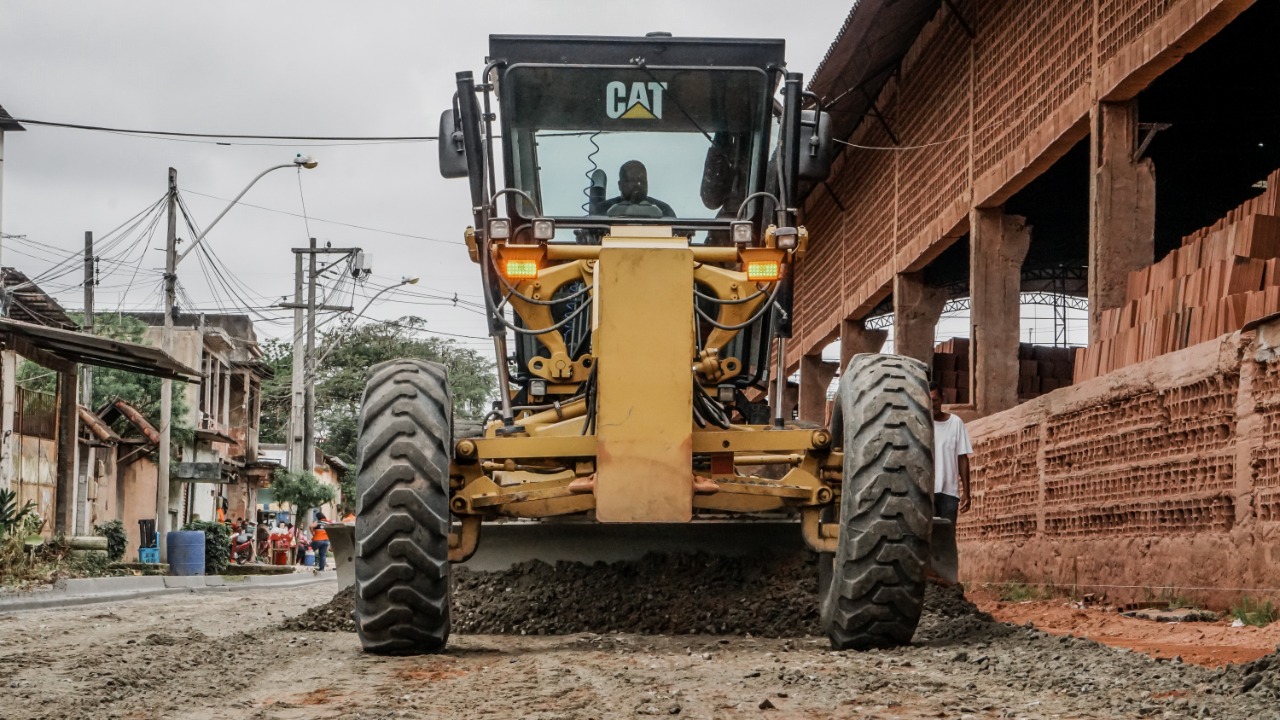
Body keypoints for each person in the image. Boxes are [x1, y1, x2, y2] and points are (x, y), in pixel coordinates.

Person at [930, 381, 972, 523]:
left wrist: (966, 493)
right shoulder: (921, 424)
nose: (932, 404)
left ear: (942, 399)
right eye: (928, 401)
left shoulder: (956, 423)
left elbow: (962, 458)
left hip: (949, 493)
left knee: (946, 537)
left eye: (935, 400)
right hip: (926, 493)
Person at [599, 160, 675, 218]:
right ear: (620, 185)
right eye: (632, 180)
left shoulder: (664, 210)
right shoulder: (603, 210)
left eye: (642, 181)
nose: (638, 184)